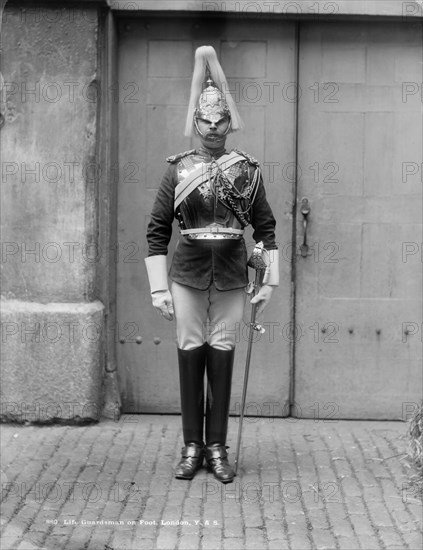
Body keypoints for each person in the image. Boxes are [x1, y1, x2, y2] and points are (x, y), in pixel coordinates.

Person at [145, 45, 279, 484]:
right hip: (186, 274)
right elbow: (157, 230)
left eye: (220, 120)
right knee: (189, 352)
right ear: (195, 121)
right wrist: (158, 287)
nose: (213, 127)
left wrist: (269, 281)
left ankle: (218, 447)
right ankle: (190, 446)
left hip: (231, 275)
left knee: (222, 352)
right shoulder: (178, 170)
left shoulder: (247, 170)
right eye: (205, 120)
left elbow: (265, 227)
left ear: (229, 121)